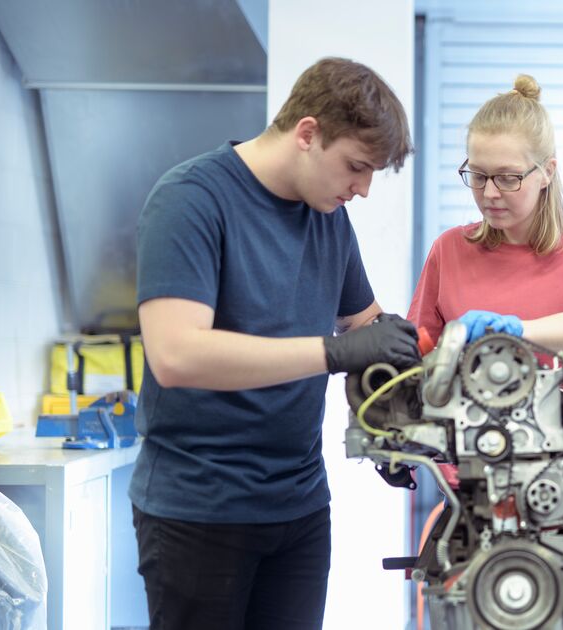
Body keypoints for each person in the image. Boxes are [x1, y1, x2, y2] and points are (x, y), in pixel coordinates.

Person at [131, 57, 420, 629]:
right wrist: (333, 353)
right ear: (308, 134)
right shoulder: (191, 199)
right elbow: (177, 355)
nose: (362, 190)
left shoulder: (328, 216)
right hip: (199, 512)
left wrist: (397, 423)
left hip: (300, 507)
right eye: (356, 168)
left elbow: (366, 329)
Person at [407, 74, 563, 355]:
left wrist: (507, 331)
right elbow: (416, 356)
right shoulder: (449, 249)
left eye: (508, 178)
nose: (489, 193)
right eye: (477, 175)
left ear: (546, 172)